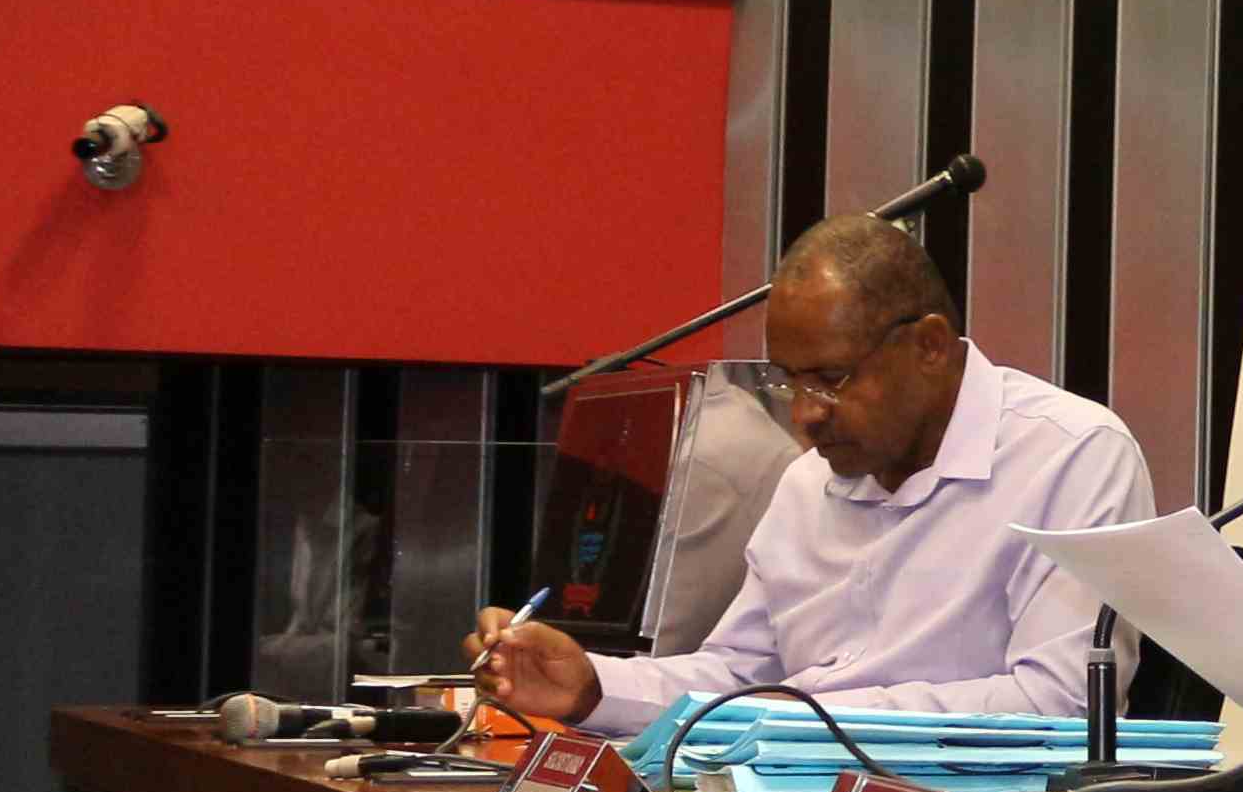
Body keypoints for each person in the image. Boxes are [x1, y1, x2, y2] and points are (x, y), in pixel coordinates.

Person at [469, 215, 1155, 739]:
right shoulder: (807, 483)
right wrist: (590, 687)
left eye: (831, 378)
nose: (805, 414)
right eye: (789, 382)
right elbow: (737, 676)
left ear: (928, 346)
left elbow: (1063, 703)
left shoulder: (1070, 454)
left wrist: (806, 712)